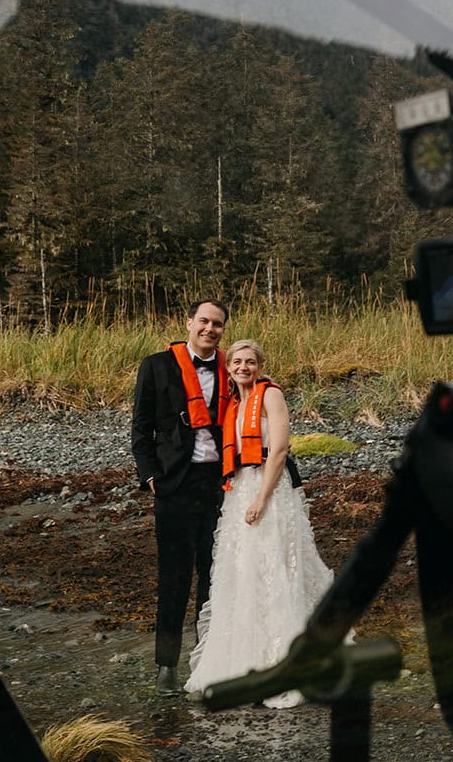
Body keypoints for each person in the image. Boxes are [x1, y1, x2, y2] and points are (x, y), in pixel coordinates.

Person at [184, 338, 337, 708]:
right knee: (241, 572)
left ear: (260, 365)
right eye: (236, 361)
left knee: (277, 565)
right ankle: (241, 662)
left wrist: (262, 498)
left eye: (250, 362)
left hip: (269, 489)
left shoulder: (271, 396)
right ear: (228, 366)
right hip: (240, 490)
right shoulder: (233, 404)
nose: (243, 367)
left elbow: (281, 450)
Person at [131, 298, 231, 695]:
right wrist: (150, 477)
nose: (210, 329)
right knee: (173, 578)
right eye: (204, 321)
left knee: (214, 576)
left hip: (220, 485)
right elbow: (141, 430)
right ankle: (166, 667)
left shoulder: (230, 366)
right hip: (174, 484)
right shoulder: (156, 366)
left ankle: (206, 660)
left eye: (218, 324)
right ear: (189, 322)